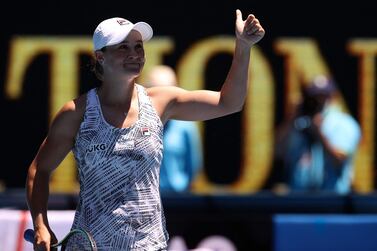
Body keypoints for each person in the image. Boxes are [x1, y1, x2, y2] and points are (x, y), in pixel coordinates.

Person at [26, 10, 265, 251]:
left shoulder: (161, 100)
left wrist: (243, 46)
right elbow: (40, 170)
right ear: (100, 56)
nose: (134, 54)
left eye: (138, 46)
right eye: (123, 47)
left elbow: (230, 103)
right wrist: (41, 225)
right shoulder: (76, 113)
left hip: (149, 246)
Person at [274, 75, 361, 194]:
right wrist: (290, 118)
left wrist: (319, 133)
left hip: (332, 201)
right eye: (314, 97)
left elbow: (340, 160)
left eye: (323, 97)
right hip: (298, 200)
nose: (318, 102)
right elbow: (278, 151)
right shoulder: (299, 123)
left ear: (332, 98)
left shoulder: (344, 124)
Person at [146, 65, 203, 193]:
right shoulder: (134, 123)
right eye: (157, 91)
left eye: (167, 92)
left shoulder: (186, 126)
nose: (163, 99)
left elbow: (193, 167)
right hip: (143, 203)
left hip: (177, 201)